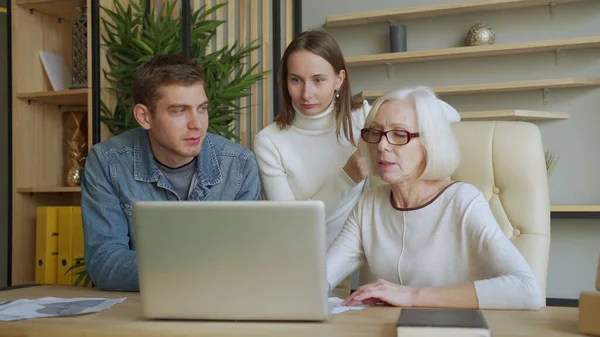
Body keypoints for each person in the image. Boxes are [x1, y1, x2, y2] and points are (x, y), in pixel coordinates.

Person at [326, 86, 543, 310]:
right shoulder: (369, 205)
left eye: (399, 134)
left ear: (430, 143)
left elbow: (527, 290)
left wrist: (412, 296)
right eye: (375, 133)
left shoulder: (463, 201)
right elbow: (319, 278)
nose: (381, 145)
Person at [81, 54, 261, 291]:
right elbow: (104, 262)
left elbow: (249, 259)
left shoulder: (239, 164)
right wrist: (196, 270)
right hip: (141, 312)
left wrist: (171, 270)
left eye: (202, 109)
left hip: (222, 306)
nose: (196, 124)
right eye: (179, 111)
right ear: (144, 117)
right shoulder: (107, 162)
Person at [253, 30, 371, 249]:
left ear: (339, 79)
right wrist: (345, 179)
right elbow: (292, 224)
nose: (306, 94)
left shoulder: (364, 119)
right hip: (295, 258)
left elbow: (444, 115)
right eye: (296, 80)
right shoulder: (269, 141)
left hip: (356, 256)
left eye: (318, 80)